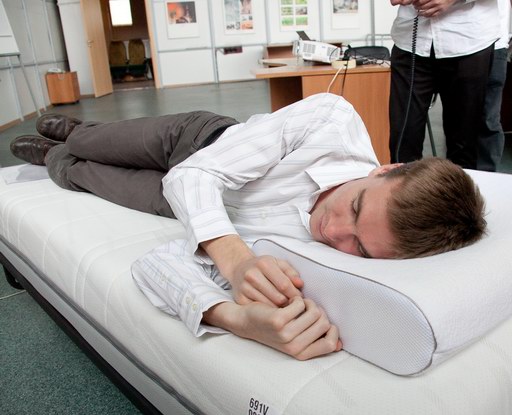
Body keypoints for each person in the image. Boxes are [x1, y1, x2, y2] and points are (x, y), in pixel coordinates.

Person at [10, 93, 487, 360]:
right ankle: (78, 133)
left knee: (78, 175)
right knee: (94, 143)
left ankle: (54, 158)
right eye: (357, 208)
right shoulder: (331, 120)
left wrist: (235, 318)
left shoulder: (323, 256)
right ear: (387, 169)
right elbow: (194, 175)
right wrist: (237, 261)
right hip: (196, 142)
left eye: (359, 248)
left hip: (180, 205)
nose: (333, 231)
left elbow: (158, 262)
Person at [388, 0, 500, 169]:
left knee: (464, 146)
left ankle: (460, 186)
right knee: (403, 143)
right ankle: (402, 187)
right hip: (410, 41)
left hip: (469, 42)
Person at [477, 0, 512, 172]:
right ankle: (459, 175)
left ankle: (487, 176)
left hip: (495, 44)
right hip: (457, 44)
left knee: (489, 118)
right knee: (460, 116)